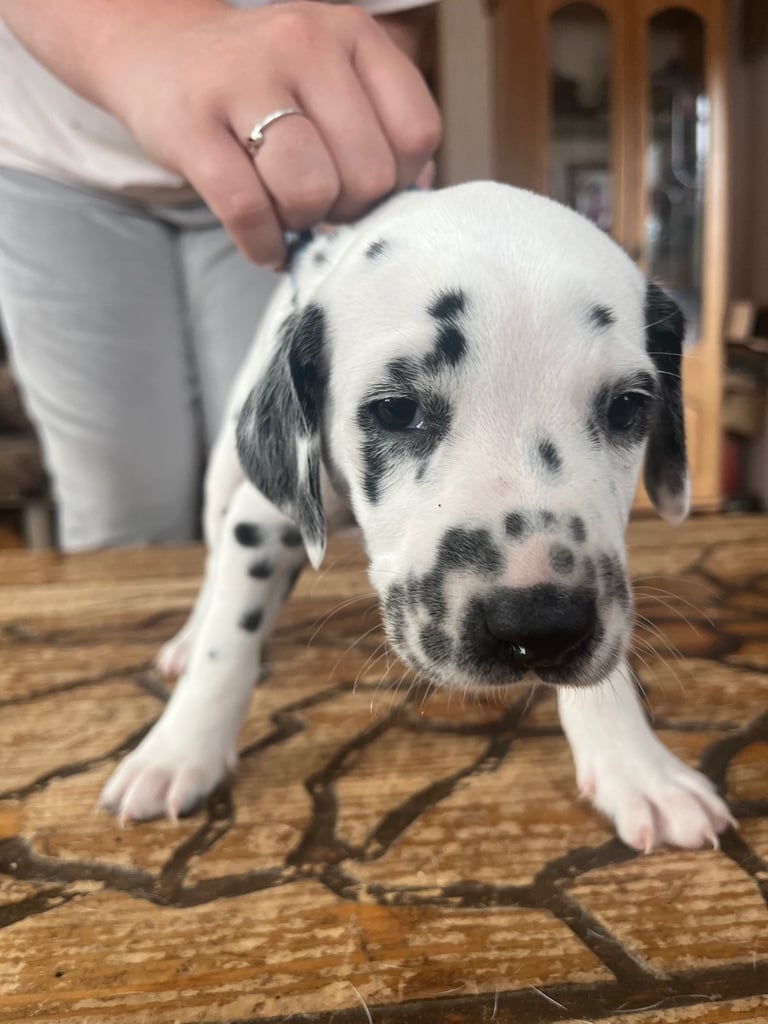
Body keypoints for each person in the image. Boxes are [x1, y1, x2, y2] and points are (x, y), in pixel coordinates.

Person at [0, 0, 440, 550]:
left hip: (290, 165)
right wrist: (167, 41)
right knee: (121, 505)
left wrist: (351, 112)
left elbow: (395, 15)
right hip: (52, 161)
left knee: (288, 495)